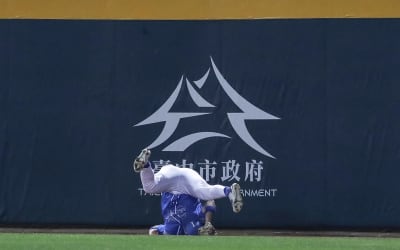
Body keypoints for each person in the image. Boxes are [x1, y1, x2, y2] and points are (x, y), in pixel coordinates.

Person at [133, 148, 243, 214]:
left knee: (149, 186)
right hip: (188, 175)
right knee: (205, 192)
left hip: (169, 171)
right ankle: (228, 191)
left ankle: (146, 165)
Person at [148, 197, 217, 236]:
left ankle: (208, 226)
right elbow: (153, 230)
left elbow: (211, 202)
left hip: (195, 220)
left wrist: (207, 223)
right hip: (177, 224)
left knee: (193, 230)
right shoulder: (172, 223)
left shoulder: (192, 190)